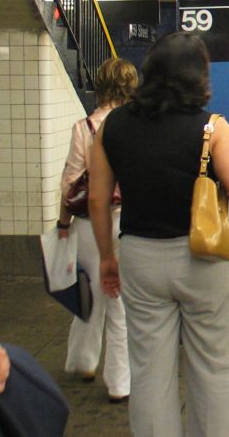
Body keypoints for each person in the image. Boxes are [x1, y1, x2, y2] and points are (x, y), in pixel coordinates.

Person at [87, 32, 229, 437]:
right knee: (212, 368)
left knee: (148, 370)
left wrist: (107, 259)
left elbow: (97, 201)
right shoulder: (211, 129)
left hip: (140, 257)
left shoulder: (111, 126)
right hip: (201, 257)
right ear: (199, 76)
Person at [57, 57, 137, 404]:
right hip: (125, 221)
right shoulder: (133, 125)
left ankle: (83, 362)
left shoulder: (83, 128)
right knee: (118, 302)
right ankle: (119, 382)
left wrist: (63, 224)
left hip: (89, 223)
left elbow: (69, 183)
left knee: (88, 294)